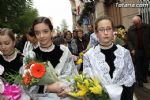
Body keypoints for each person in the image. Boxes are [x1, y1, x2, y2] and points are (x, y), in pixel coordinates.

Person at [83, 16, 135, 100]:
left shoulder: (124, 53)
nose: (106, 32)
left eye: (108, 28)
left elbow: (130, 80)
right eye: (101, 29)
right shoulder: (89, 56)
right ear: (96, 33)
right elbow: (88, 84)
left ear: (113, 31)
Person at [25, 17, 78, 100]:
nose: (41, 36)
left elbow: (74, 76)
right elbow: (27, 88)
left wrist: (68, 89)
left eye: (45, 31)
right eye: (37, 33)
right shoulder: (30, 56)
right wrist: (48, 88)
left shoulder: (64, 51)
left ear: (52, 32)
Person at [127, 15, 150, 87]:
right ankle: (140, 80)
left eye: (136, 23)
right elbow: (129, 41)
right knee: (138, 65)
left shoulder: (147, 27)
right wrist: (132, 49)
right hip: (137, 50)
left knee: (145, 65)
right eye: (134, 23)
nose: (135, 25)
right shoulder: (131, 29)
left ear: (140, 22)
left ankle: (144, 77)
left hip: (146, 49)